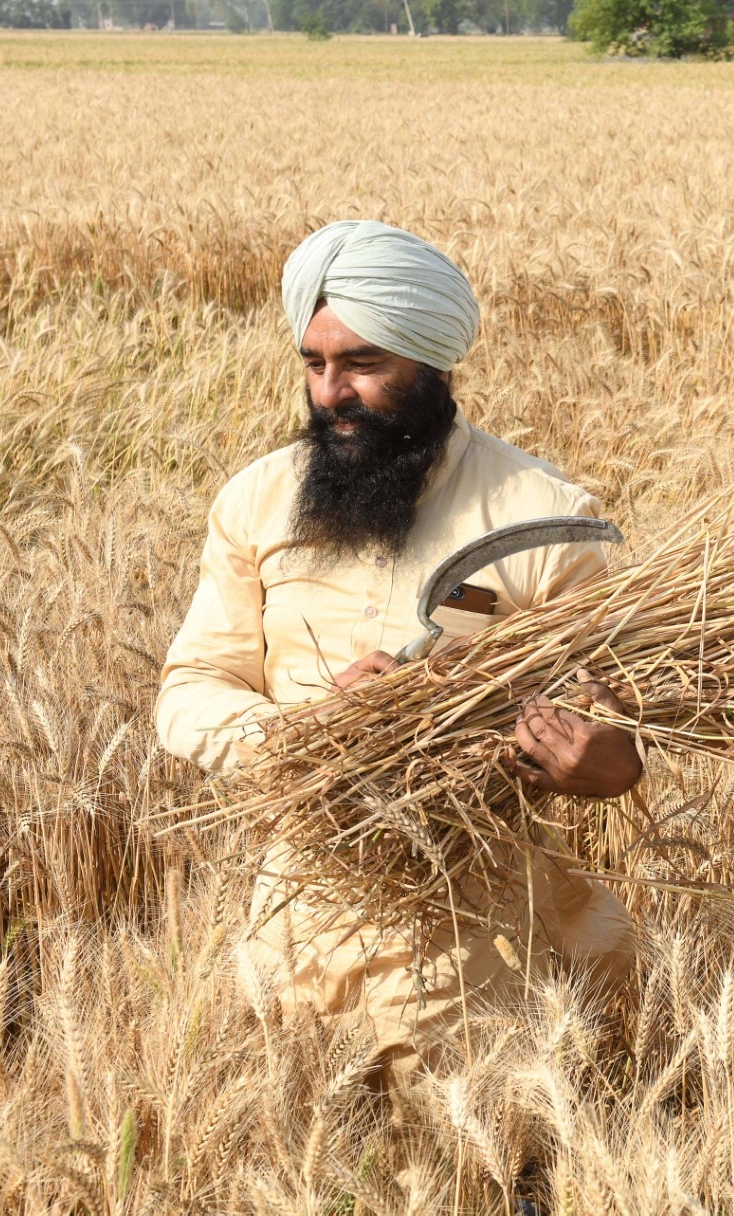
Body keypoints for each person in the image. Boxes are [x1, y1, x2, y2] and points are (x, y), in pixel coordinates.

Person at [155, 219, 640, 1077]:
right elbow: (191, 690)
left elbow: (621, 732)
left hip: (485, 938)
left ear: (433, 364)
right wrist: (313, 733)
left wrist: (607, 764)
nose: (331, 392)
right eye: (314, 364)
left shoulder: (545, 516)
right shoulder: (258, 502)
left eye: (364, 365)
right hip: (293, 930)